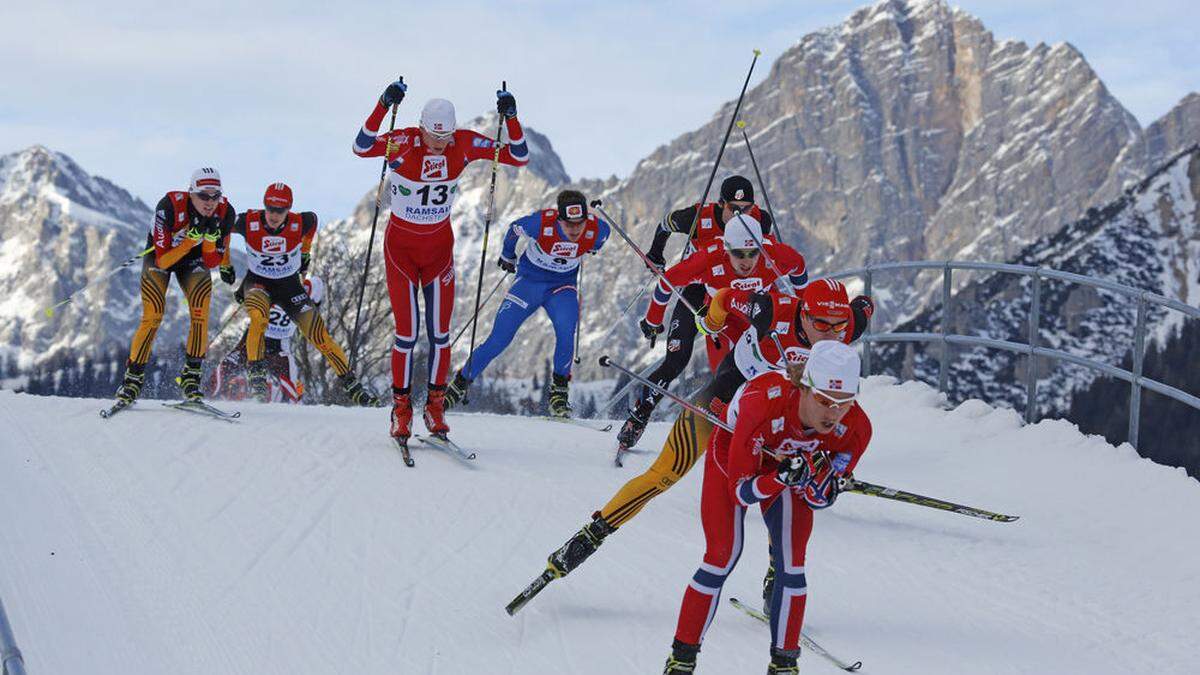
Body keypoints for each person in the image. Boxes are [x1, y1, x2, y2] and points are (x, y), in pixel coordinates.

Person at [541, 280, 873, 599]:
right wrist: (711, 325)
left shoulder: (847, 324)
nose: (832, 334)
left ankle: (776, 571)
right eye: (822, 324)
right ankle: (592, 534)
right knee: (664, 474)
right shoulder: (771, 310)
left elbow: (865, 308)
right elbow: (727, 297)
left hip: (771, 426)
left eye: (840, 326)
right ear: (803, 313)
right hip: (720, 406)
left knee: (784, 485)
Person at [664, 340, 872, 675]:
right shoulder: (763, 402)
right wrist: (781, 477)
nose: (833, 413)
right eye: (824, 400)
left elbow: (821, 497)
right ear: (805, 387)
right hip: (734, 455)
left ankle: (784, 666)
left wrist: (819, 486)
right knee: (722, 555)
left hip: (788, 465)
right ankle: (681, 660)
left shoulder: (856, 429)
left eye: (844, 403)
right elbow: (741, 494)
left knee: (793, 563)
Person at [353, 79, 530, 441]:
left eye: (446, 137)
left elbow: (519, 155)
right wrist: (383, 104)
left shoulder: (462, 143)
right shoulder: (402, 141)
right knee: (406, 334)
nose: (440, 145)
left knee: (441, 335)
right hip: (401, 251)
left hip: (438, 252)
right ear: (420, 129)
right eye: (434, 138)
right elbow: (361, 146)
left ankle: (435, 407)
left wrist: (510, 117)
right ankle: (401, 410)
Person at [616, 212, 806, 451]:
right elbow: (666, 282)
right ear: (727, 249)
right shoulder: (709, 258)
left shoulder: (775, 254)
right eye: (738, 254)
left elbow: (799, 267)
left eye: (752, 253)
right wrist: (653, 320)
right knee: (676, 360)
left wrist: (803, 308)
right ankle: (639, 416)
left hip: (748, 316)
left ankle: (766, 430)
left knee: (754, 371)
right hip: (709, 311)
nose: (746, 261)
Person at [444, 190, 609, 417]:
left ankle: (559, 393)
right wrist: (507, 254)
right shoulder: (541, 222)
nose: (574, 230)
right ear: (559, 219)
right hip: (529, 283)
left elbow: (600, 240)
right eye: (568, 225)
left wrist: (591, 247)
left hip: (562, 287)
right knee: (499, 338)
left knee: (566, 331)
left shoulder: (598, 229)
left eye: (579, 224)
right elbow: (514, 228)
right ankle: (458, 385)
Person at [220, 183, 377, 405]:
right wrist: (225, 264)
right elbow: (223, 227)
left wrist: (305, 252)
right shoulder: (248, 221)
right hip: (258, 283)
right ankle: (257, 378)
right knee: (259, 319)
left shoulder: (302, 221)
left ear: (289, 209)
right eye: (270, 208)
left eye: (280, 210)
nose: (274, 215)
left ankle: (353, 386)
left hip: (289, 286)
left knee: (319, 335)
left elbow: (313, 223)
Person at [112, 167, 235, 405]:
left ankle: (191, 379)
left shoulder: (225, 212)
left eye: (215, 195)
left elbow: (211, 261)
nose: (210, 202)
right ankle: (132, 380)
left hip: (193, 259)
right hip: (164, 254)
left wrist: (209, 243)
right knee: (153, 316)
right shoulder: (168, 207)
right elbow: (163, 260)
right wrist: (190, 240)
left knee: (201, 313)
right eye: (203, 195)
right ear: (191, 193)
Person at [206, 276, 326, 404]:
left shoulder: (305, 294)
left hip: (278, 348)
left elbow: (316, 291)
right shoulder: (275, 285)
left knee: (291, 383)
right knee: (225, 367)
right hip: (253, 341)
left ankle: (294, 408)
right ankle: (205, 397)